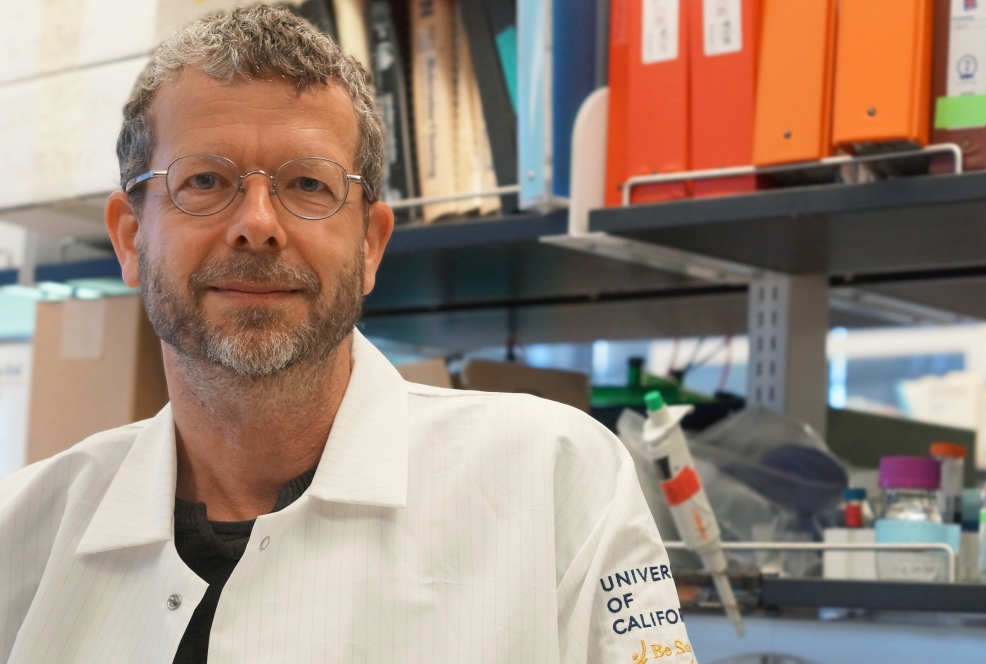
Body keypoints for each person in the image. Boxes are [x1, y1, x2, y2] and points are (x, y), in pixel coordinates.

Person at [0, 7, 696, 663]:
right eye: (206, 180)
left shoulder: (557, 478)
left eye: (308, 185)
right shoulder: (21, 530)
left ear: (369, 245)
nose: (259, 223)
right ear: (129, 238)